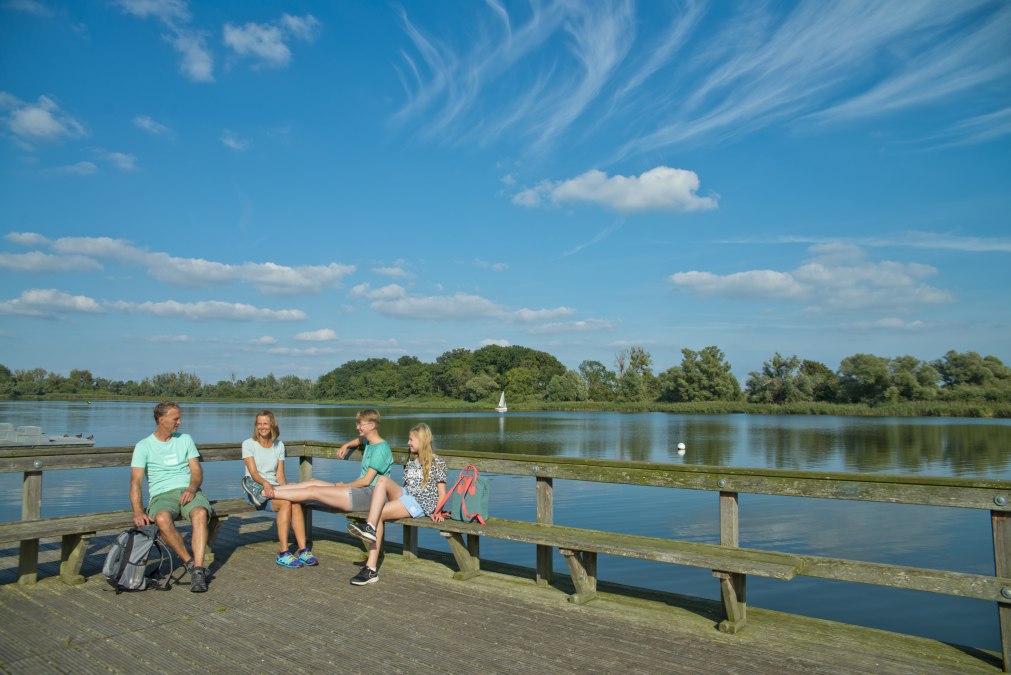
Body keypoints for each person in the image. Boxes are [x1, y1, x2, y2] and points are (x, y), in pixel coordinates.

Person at [346, 423, 447, 585]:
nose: (408, 443)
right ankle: (370, 528)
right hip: (407, 496)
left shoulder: (437, 462)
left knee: (378, 513)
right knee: (382, 480)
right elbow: (407, 488)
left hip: (420, 504)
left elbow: (442, 492)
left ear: (422, 441)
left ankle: (371, 568)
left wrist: (438, 511)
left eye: (411, 440)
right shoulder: (412, 460)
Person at [130, 401, 212, 593]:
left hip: (188, 490)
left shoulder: (185, 439)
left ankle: (199, 570)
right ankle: (190, 563)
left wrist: (192, 488)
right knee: (161, 518)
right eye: (176, 419)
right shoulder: (144, 446)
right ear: (162, 420)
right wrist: (138, 511)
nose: (179, 422)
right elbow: (135, 481)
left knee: (200, 513)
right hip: (162, 494)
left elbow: (196, 470)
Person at [258, 409, 393, 519]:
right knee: (312, 482)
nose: (357, 427)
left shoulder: (380, 449)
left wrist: (343, 486)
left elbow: (366, 481)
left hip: (370, 496)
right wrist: (346, 445)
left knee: (313, 491)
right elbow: (359, 440)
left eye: (360, 424)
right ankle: (263, 491)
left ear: (372, 425)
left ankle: (267, 494)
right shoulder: (369, 441)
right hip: (360, 492)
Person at [240, 410, 318, 569]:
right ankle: (283, 552)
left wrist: (286, 490)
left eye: (265, 423)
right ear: (256, 426)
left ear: (272, 425)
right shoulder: (248, 444)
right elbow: (253, 473)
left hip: (274, 489)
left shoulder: (279, 445)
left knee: (295, 502)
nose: (262, 427)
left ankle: (303, 550)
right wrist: (266, 484)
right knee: (285, 503)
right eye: (259, 424)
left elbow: (280, 474)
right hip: (255, 490)